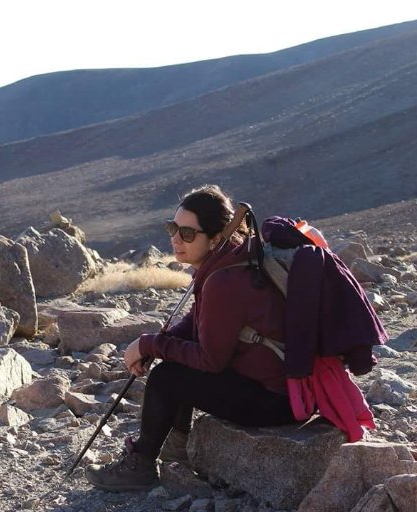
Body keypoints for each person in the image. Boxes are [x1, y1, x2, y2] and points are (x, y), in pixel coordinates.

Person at [85, 184, 298, 492]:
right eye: (173, 228)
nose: (175, 239)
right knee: (175, 361)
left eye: (187, 233)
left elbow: (210, 361)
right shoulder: (227, 263)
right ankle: (177, 454)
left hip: (274, 402)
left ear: (214, 239)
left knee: (167, 377)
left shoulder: (224, 280)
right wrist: (158, 343)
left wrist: (150, 345)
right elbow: (197, 322)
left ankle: (142, 465)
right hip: (277, 388)